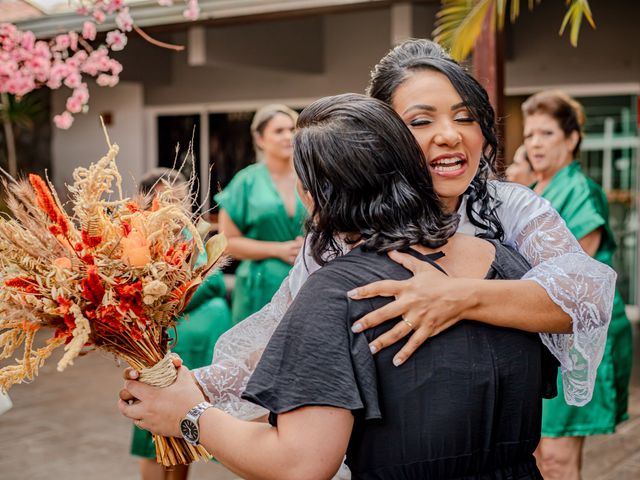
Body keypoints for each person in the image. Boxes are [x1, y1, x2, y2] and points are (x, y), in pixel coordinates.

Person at [121, 93, 550, 479]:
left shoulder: (337, 292)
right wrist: (204, 385)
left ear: (311, 195)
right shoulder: (509, 262)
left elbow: (300, 463)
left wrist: (190, 416)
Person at [189, 39, 615, 424]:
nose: (450, 136)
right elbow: (286, 343)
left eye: (465, 116)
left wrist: (457, 297)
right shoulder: (345, 231)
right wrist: (193, 388)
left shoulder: (511, 207)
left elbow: (586, 297)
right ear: (381, 136)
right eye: (421, 121)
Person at [522, 90, 633, 480]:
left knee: (556, 456)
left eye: (547, 133)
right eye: (530, 133)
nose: (535, 142)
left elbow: (573, 275)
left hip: (578, 334)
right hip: (541, 331)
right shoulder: (536, 190)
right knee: (534, 450)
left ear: (571, 139)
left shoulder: (579, 189)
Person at [129, 168, 234, 480]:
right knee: (155, 427)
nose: (181, 207)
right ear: (149, 204)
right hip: (169, 346)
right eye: (170, 201)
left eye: (184, 199)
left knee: (187, 423)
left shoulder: (195, 235)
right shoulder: (142, 244)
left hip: (203, 345)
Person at [215, 104, 306, 325]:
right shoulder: (246, 181)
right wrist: (278, 249)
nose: (288, 136)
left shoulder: (311, 177)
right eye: (279, 131)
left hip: (306, 281)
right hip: (258, 287)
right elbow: (226, 243)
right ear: (260, 139)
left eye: (292, 129)